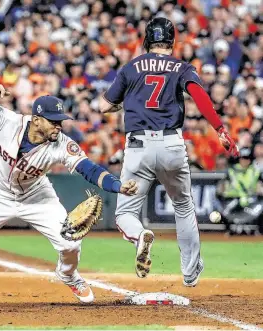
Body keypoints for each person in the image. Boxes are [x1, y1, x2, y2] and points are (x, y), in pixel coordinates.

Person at [0, 82, 138, 307]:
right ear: (37, 119)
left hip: (36, 195)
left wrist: (116, 186)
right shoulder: (4, 120)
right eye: (53, 121)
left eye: (60, 122)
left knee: (70, 244)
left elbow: (88, 169)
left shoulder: (62, 144)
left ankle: (68, 275)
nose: (58, 127)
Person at [99, 17, 239, 287]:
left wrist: (124, 104)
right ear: (172, 41)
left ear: (147, 39)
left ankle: (140, 235)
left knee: (125, 213)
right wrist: (220, 128)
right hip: (172, 144)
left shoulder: (131, 67)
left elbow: (104, 106)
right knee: (184, 206)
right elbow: (199, 95)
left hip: (138, 146)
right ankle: (189, 272)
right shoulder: (181, 67)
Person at [217, 147, 263, 235]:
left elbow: (259, 188)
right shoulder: (231, 171)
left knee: (260, 209)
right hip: (233, 200)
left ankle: (256, 231)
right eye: (243, 158)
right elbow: (222, 188)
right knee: (221, 212)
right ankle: (230, 230)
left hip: (251, 200)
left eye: (247, 158)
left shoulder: (255, 171)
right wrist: (222, 195)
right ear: (239, 159)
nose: (245, 161)